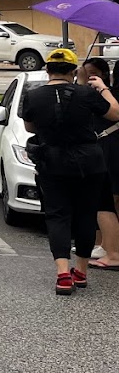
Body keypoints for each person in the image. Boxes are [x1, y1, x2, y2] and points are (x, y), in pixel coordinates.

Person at [20, 48, 119, 295]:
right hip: (89, 161)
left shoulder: (33, 96)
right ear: (74, 72)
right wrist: (103, 88)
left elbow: (30, 126)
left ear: (47, 69)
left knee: (57, 215)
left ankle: (63, 273)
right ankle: (81, 271)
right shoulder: (86, 93)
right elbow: (115, 113)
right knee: (87, 214)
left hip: (52, 161)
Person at [80, 58, 119, 271]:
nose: (88, 78)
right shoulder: (88, 94)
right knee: (102, 201)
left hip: (110, 149)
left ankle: (112, 250)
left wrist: (103, 89)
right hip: (99, 149)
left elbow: (115, 113)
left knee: (108, 199)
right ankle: (103, 245)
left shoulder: (109, 94)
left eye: (92, 74)